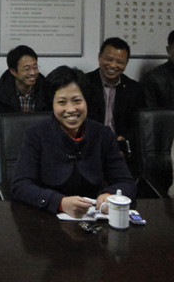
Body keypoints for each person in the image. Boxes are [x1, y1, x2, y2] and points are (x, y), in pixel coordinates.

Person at [10, 66, 136, 218]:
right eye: (62, 102)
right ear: (52, 104)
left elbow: (126, 182)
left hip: (94, 217)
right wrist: (59, 202)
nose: (70, 109)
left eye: (77, 101)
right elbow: (20, 186)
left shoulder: (103, 134)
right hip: (47, 216)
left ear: (86, 101)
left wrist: (109, 195)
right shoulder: (36, 134)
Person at [0, 45, 48, 181]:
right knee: (4, 178)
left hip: (41, 152)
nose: (33, 72)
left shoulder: (47, 91)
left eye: (35, 67)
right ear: (13, 71)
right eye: (27, 68)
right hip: (6, 153)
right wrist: (12, 152)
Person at [85, 37, 144, 168]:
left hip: (120, 147)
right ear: (99, 57)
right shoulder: (84, 83)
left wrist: (124, 139)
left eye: (119, 62)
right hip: (90, 145)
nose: (112, 65)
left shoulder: (134, 89)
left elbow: (138, 124)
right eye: (109, 59)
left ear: (126, 63)